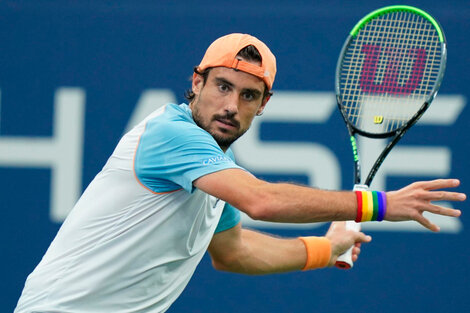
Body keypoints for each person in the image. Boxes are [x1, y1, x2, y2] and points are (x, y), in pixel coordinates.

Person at [15, 33, 465, 313]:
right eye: (222, 86)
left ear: (263, 105)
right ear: (197, 83)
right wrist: (380, 204)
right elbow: (262, 201)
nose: (231, 105)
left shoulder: (213, 171)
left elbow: (233, 251)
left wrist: (325, 249)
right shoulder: (172, 134)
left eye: (249, 95)